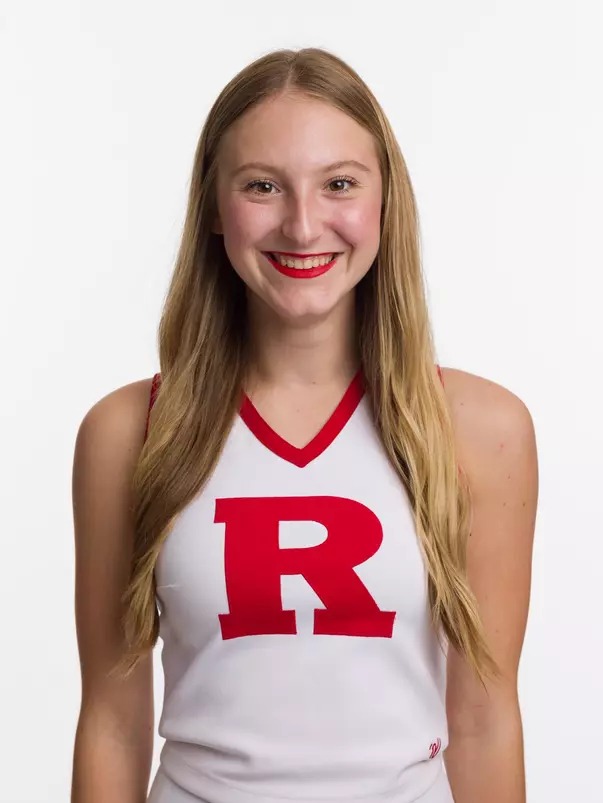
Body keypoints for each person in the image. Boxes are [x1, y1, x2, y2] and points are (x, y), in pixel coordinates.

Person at [71, 47, 538, 803]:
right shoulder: (130, 432)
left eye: (339, 184)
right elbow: (113, 721)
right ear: (213, 209)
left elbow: (484, 721)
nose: (302, 224)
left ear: (384, 202)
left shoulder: (480, 429)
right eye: (262, 186)